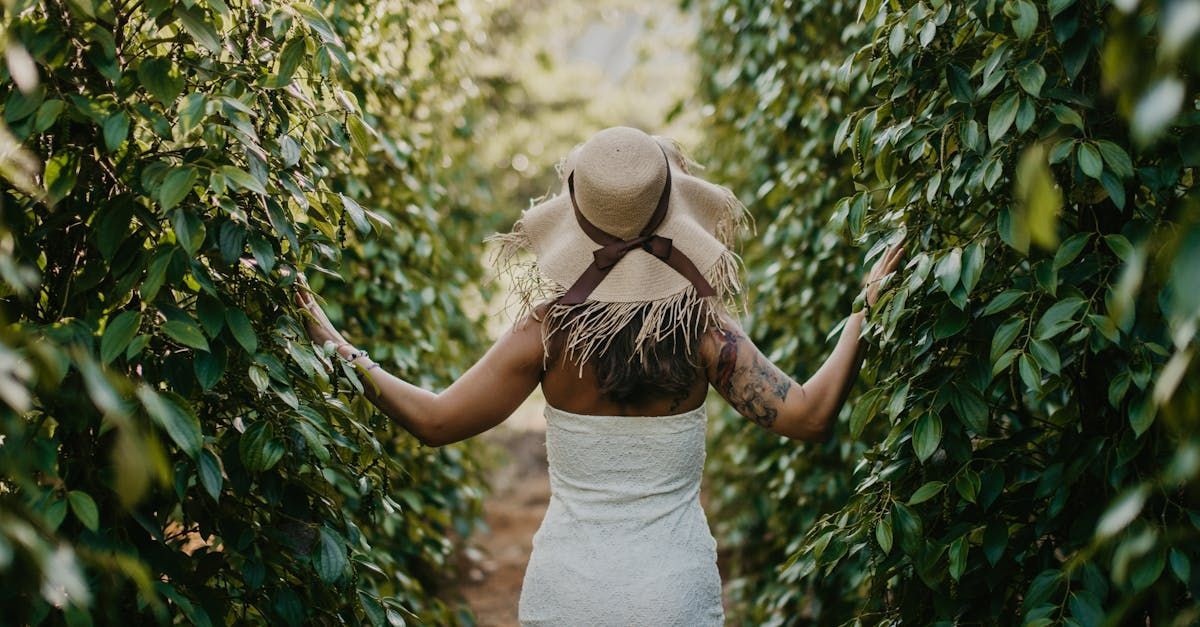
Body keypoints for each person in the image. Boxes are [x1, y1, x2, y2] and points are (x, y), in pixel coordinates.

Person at [295, 126, 905, 626]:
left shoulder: (546, 332)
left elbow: (434, 421)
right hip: (673, 594)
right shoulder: (703, 332)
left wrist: (338, 346)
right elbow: (809, 415)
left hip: (568, 593)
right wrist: (865, 310)